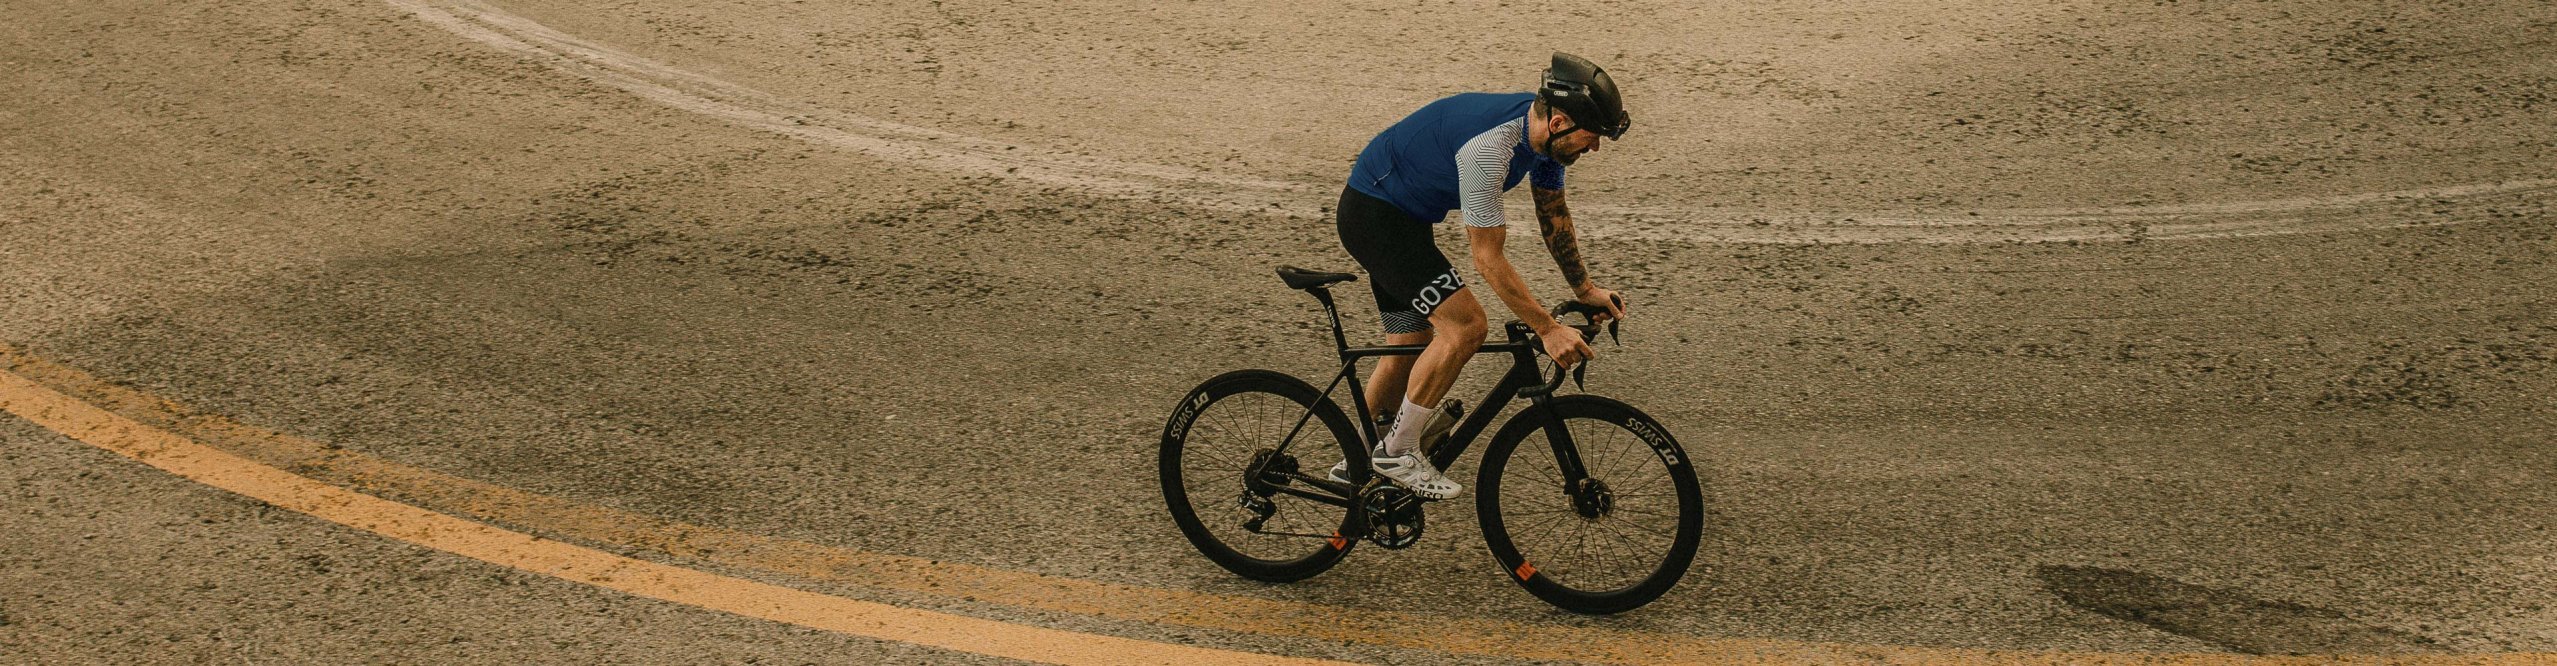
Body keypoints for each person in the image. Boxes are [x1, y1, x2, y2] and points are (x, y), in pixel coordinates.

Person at [1325, 52, 1631, 499]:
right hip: (1376, 217)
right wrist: (1546, 328)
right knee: (1466, 325)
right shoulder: (1489, 150)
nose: (1596, 147)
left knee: (1410, 344)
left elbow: (1554, 216)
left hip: (1400, 218)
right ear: (1561, 122)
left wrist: (1585, 289)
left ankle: (1355, 465)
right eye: (1594, 136)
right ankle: (1398, 452)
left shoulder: (1542, 141)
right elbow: (1487, 258)